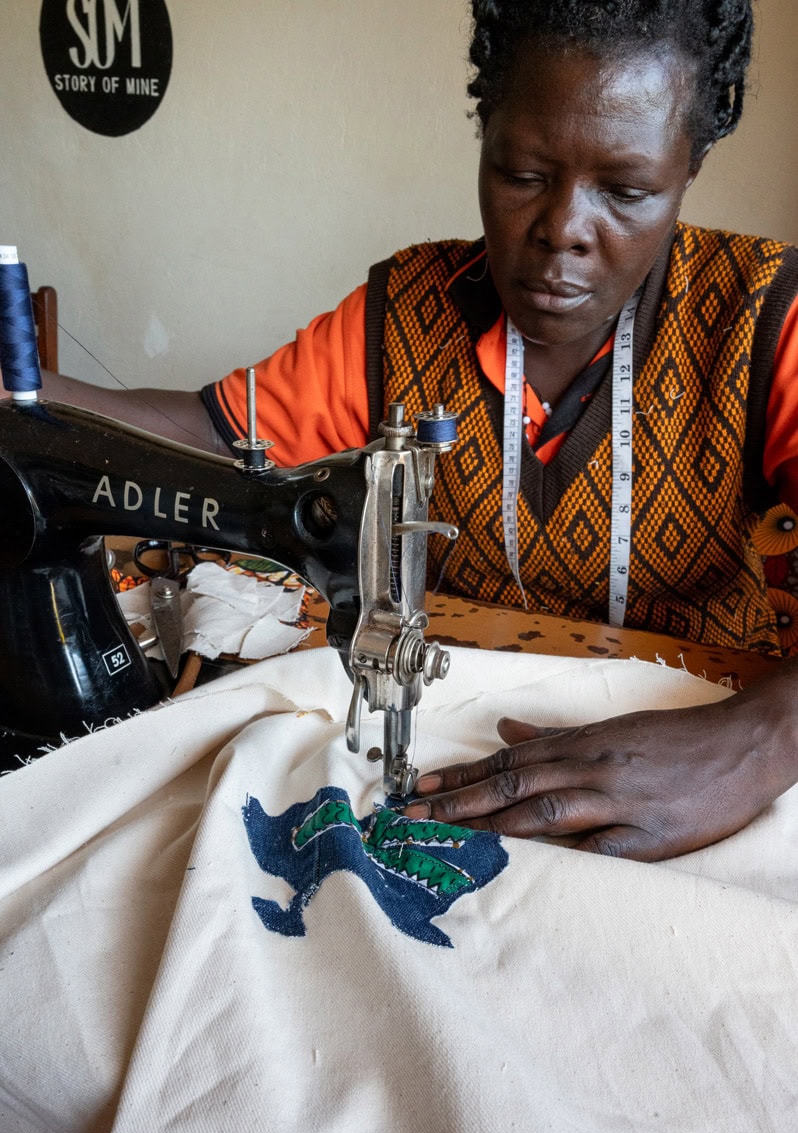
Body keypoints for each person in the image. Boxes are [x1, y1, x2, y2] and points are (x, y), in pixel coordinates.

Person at [12, 0, 798, 862]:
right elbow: (212, 434)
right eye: (524, 173)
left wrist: (756, 744)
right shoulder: (405, 317)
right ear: (485, 135)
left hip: (705, 747)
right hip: (458, 734)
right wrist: (25, 395)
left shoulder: (762, 321)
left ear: (692, 165)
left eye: (627, 190)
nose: (564, 230)